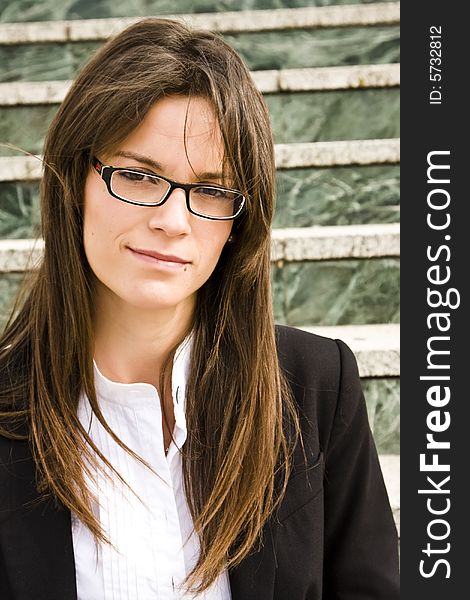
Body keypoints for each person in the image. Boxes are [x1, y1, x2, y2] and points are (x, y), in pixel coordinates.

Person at [0, 17, 399, 600]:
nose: (171, 220)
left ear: (240, 220)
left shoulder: (316, 387)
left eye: (211, 190)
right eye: (137, 176)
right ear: (73, 183)